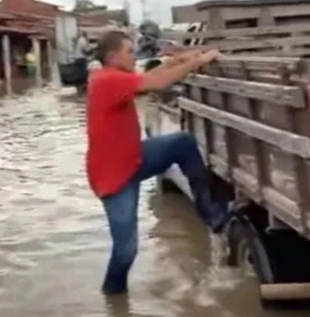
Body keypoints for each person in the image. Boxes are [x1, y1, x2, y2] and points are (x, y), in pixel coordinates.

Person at [86, 30, 228, 295]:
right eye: (130, 52)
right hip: (114, 177)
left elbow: (153, 74)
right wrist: (196, 62)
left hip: (134, 157)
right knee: (126, 251)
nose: (135, 56)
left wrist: (187, 57)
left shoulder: (114, 76)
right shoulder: (107, 80)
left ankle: (211, 213)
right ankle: (113, 295)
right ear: (113, 56)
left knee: (182, 144)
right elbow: (160, 83)